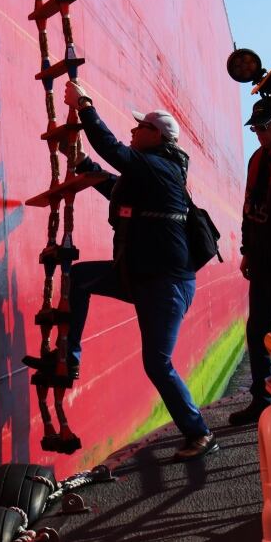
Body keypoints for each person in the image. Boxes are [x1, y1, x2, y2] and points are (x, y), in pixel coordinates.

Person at [62, 78, 218, 461]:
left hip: (164, 285)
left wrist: (85, 106)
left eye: (140, 126)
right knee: (79, 278)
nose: (132, 130)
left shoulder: (159, 167)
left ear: (157, 136)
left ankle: (200, 434)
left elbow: (115, 152)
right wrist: (83, 163)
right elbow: (115, 187)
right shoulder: (151, 173)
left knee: (157, 363)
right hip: (141, 278)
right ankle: (72, 358)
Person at [228, 100, 271, 425]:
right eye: (255, 129)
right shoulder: (258, 159)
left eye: (264, 127)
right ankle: (263, 399)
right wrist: (247, 251)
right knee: (258, 331)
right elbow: (248, 210)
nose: (259, 134)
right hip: (263, 261)